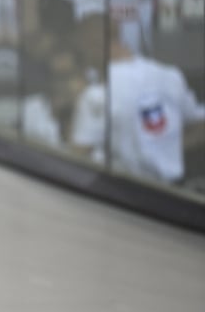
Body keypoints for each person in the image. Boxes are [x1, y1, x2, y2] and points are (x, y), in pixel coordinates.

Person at [70, 16, 205, 185]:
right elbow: (198, 125)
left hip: (121, 193)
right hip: (172, 193)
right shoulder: (170, 76)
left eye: (80, 51)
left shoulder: (97, 95)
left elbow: (76, 158)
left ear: (93, 45)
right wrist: (162, 145)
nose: (82, 60)